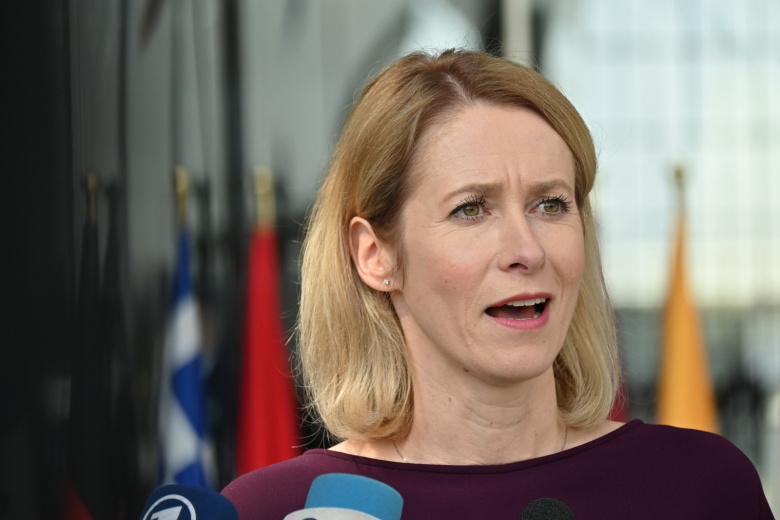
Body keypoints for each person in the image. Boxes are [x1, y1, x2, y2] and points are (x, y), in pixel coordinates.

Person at [222, 50, 774, 519]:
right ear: (375, 255)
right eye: (471, 209)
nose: (527, 250)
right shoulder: (274, 510)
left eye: (550, 204)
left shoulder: (700, 487)